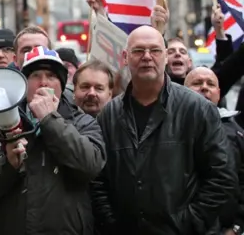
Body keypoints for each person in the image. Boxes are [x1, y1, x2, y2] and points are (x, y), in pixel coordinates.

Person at [92, 26, 236, 235]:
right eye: (138, 51)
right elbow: (98, 180)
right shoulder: (108, 115)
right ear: (125, 57)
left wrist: (189, 222)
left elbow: (222, 176)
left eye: (155, 50)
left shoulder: (197, 108)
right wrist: (113, 223)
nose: (147, 57)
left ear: (166, 57)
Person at [0, 46, 105, 234]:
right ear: (24, 84)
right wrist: (7, 167)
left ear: (62, 84)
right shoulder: (0, 128)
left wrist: (50, 120)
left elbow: (91, 165)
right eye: (35, 75)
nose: (43, 82)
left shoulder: (83, 123)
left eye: (51, 76)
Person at [185, 67, 244, 235]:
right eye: (197, 83)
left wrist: (236, 228)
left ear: (218, 93)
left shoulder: (238, 134)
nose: (204, 87)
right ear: (182, 91)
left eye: (210, 84)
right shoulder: (167, 129)